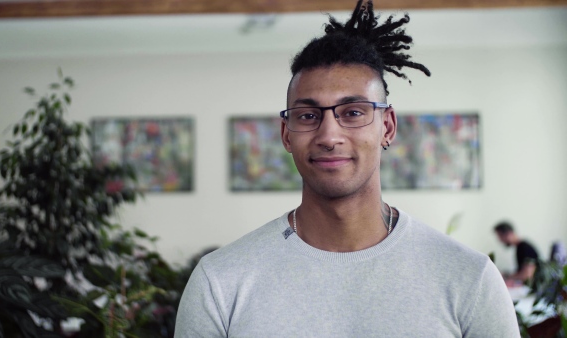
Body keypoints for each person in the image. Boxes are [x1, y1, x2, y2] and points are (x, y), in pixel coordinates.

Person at [175, 1, 520, 336]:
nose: (329, 135)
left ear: (387, 127)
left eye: (353, 112)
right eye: (308, 116)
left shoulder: (469, 278)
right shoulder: (219, 281)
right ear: (286, 134)